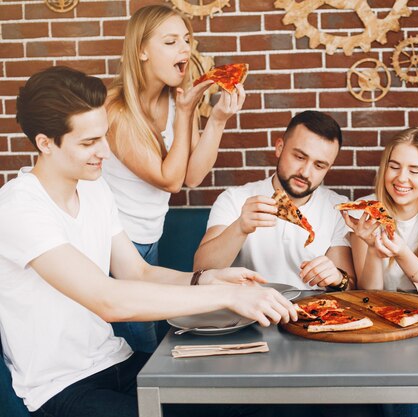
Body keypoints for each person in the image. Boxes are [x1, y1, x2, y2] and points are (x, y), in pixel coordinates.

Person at [0, 65, 296, 417]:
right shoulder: (19, 207)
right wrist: (228, 296)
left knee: (248, 400)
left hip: (115, 360)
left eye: (105, 136)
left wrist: (202, 279)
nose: (105, 152)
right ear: (46, 143)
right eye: (88, 142)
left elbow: (136, 272)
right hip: (61, 387)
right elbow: (107, 300)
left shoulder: (94, 188)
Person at [103, 4, 245, 352]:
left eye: (186, 40)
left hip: (149, 241)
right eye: (170, 42)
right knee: (143, 350)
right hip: (112, 248)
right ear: (141, 50)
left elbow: (194, 175)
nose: (184, 50)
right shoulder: (115, 110)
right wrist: (185, 113)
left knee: (149, 345)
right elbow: (169, 181)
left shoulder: (176, 99)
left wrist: (218, 120)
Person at [194, 110, 355, 291]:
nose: (305, 172)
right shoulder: (234, 198)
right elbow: (201, 270)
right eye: (299, 157)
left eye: (319, 165)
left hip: (311, 313)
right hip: (246, 311)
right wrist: (240, 227)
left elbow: (349, 285)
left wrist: (337, 278)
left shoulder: (337, 208)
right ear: (279, 147)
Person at [341, 128, 418, 291]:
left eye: (414, 171)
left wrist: (402, 253)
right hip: (383, 309)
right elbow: (368, 293)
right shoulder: (363, 210)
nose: (401, 178)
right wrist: (373, 249)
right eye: (394, 167)